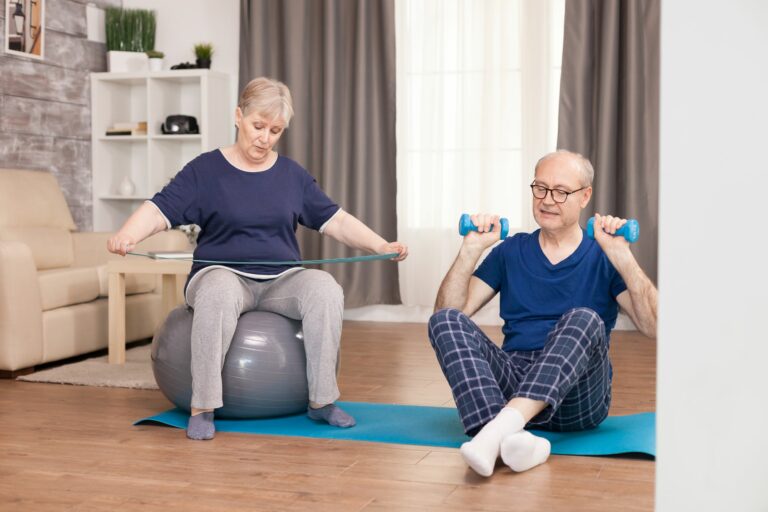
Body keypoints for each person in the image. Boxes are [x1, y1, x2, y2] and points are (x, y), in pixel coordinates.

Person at [108, 77, 408, 440]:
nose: (265, 138)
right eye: (258, 126)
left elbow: (336, 220)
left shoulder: (292, 176)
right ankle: (203, 407)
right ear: (239, 116)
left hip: (281, 280)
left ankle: (322, 400)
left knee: (324, 289)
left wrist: (381, 246)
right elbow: (160, 209)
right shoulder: (205, 171)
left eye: (275, 130)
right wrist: (128, 234)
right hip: (220, 274)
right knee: (218, 290)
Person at [428, 149, 657, 476]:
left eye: (561, 191)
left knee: (584, 317)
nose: (548, 199)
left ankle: (491, 433)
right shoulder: (511, 251)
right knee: (444, 321)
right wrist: (471, 250)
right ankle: (513, 440)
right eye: (541, 188)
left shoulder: (604, 254)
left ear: (584, 196)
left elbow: (655, 326)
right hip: (514, 378)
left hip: (577, 397)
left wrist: (622, 256)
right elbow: (450, 312)